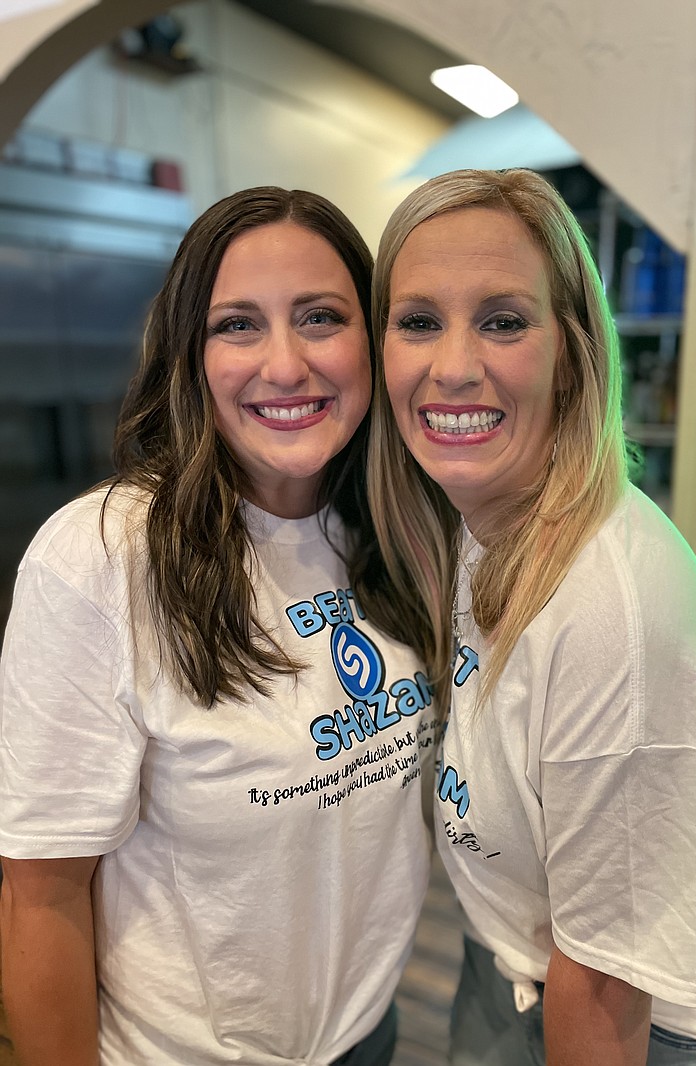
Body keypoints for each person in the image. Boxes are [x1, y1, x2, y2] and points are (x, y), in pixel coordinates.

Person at [367, 168, 696, 1065]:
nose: (452, 366)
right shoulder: (488, 521)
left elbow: (607, 985)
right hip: (527, 959)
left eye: (503, 320)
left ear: (572, 351)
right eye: (418, 321)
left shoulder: (614, 611)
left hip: (674, 1027)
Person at [0, 186, 438, 1066]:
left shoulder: (396, 526)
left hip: (365, 1034)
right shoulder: (99, 558)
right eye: (237, 324)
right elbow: (40, 897)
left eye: (320, 317)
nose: (285, 365)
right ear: (189, 354)